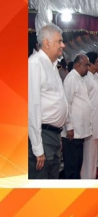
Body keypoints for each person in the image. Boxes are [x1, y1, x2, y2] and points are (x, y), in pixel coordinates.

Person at [28, 23, 68, 179]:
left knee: (52, 182)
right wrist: (38, 148)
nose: (63, 45)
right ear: (47, 43)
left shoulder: (51, 65)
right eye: (59, 41)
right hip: (43, 135)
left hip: (53, 136)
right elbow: (33, 107)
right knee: (40, 185)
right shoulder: (35, 63)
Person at [62, 54, 92, 179]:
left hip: (79, 132)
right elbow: (66, 104)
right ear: (78, 65)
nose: (88, 68)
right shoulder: (71, 78)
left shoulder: (79, 78)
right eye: (86, 65)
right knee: (71, 167)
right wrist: (69, 127)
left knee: (77, 164)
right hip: (72, 133)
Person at [81, 52, 98, 179]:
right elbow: (85, 102)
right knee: (88, 153)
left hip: (95, 122)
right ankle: (87, 179)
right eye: (97, 62)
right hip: (90, 124)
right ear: (91, 64)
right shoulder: (86, 79)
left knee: (93, 153)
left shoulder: (92, 77)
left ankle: (92, 175)